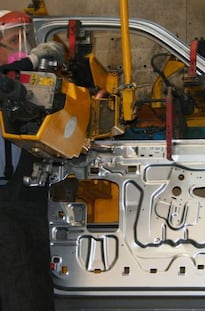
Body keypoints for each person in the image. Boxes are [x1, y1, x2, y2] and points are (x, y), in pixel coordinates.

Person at [0, 10, 64, 311]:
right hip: (6, 202)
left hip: (25, 198)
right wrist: (30, 62)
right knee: (18, 276)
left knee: (32, 273)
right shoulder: (11, 78)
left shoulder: (22, 85)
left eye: (26, 36)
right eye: (14, 39)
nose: (22, 45)